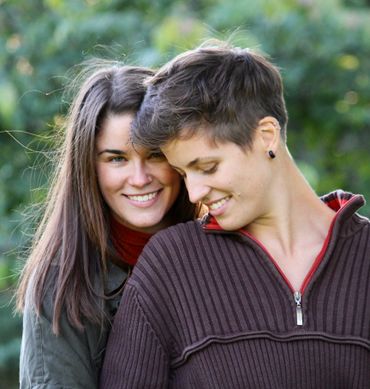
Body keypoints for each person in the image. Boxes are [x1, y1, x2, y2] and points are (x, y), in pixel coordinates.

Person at [100, 41, 370, 388]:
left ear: (266, 137)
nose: (194, 193)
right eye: (184, 173)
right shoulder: (171, 265)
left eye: (207, 167)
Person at [16, 63, 199, 388]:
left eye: (155, 155)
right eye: (117, 159)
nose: (140, 178)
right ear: (88, 167)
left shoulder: (216, 252)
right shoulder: (62, 286)